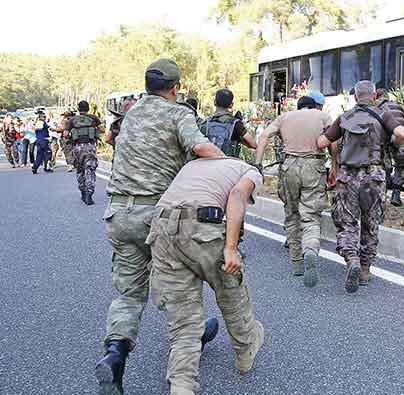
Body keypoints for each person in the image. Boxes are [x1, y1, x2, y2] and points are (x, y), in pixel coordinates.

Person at [95, 58, 225, 395]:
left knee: (129, 292)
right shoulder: (178, 113)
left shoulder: (131, 113)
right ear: (174, 87)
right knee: (181, 283)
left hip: (119, 213)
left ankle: (115, 354)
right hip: (159, 216)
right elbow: (198, 147)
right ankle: (189, 343)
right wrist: (231, 167)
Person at [148, 157, 265, 394]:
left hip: (161, 230)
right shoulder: (250, 170)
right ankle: (245, 349)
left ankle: (182, 385)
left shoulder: (191, 165)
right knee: (231, 290)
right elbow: (236, 196)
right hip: (202, 227)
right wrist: (230, 248)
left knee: (184, 320)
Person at [317, 81, 404, 293]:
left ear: (356, 97)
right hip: (374, 175)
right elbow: (403, 135)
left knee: (347, 221)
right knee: (371, 221)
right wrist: (391, 140)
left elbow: (322, 143)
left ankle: (352, 260)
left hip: (347, 176)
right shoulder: (383, 114)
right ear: (375, 95)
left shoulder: (345, 117)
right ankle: (366, 269)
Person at [255, 92, 332, 286]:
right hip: (313, 166)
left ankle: (297, 262)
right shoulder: (322, 116)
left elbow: (264, 136)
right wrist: (336, 163)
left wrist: (258, 164)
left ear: (299, 106)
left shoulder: (285, 117)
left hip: (289, 166)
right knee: (311, 214)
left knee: (291, 213)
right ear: (314, 106)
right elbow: (334, 140)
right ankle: (310, 249)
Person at [63, 100, 105, 205]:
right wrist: (94, 131)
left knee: (80, 170)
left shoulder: (72, 120)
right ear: (88, 109)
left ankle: (83, 191)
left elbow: (65, 134)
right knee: (90, 169)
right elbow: (103, 130)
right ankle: (89, 193)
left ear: (78, 109)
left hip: (77, 148)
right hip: (90, 147)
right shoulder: (93, 118)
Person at [375, 89, 404, 208]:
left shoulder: (378, 106)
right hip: (402, 136)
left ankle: (383, 196)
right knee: (401, 163)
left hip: (387, 136)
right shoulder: (398, 106)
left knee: (385, 165)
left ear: (377, 97)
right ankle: (396, 195)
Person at [200, 89, 257, 156]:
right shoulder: (236, 124)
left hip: (207, 162)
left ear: (215, 102)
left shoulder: (205, 123)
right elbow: (253, 145)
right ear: (231, 105)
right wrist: (239, 139)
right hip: (229, 163)